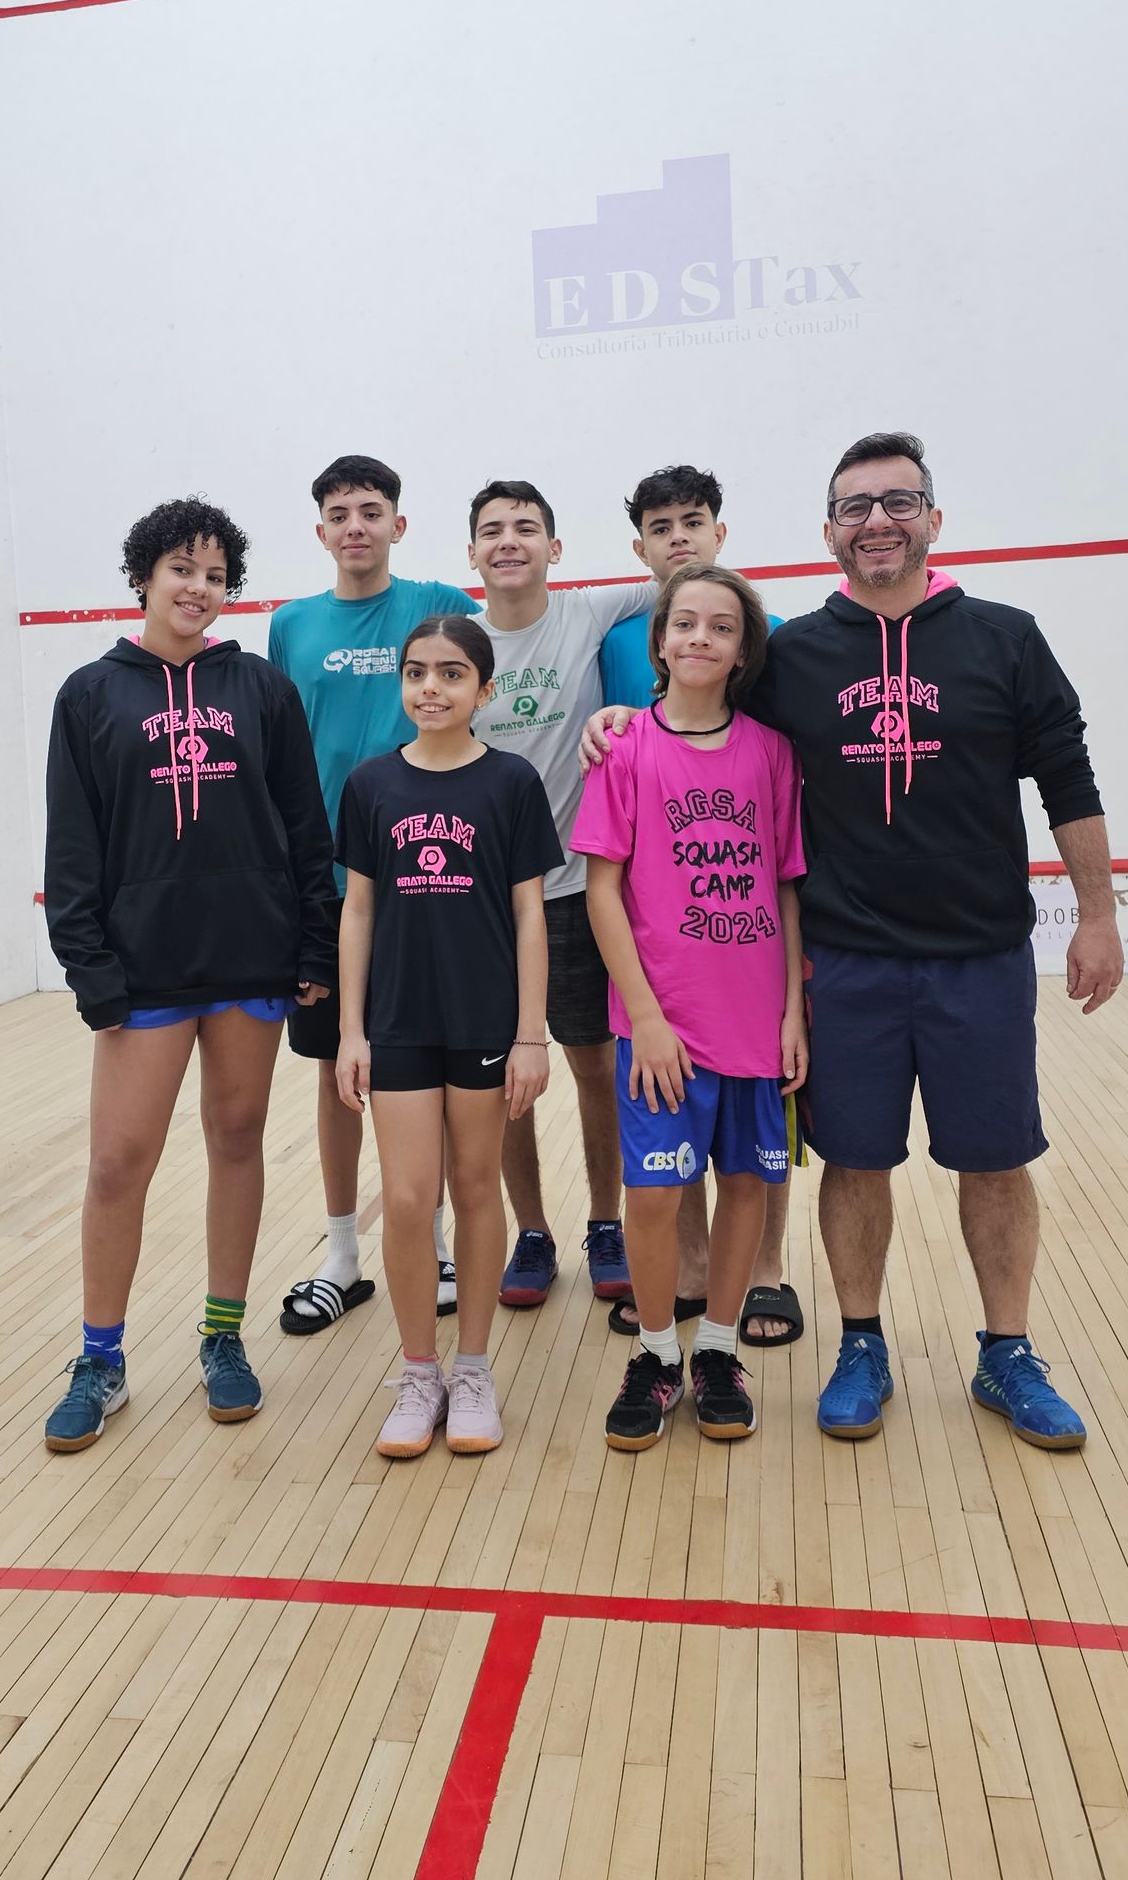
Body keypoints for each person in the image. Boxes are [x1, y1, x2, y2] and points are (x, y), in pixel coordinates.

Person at [584, 431, 1122, 1451]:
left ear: (932, 518)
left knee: (997, 1162)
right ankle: (861, 1344)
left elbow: (1068, 772)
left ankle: (1007, 1350)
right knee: (856, 1161)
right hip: (851, 962)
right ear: (830, 531)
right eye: (856, 507)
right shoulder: (795, 655)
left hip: (981, 957)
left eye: (899, 502)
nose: (878, 520)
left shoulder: (1006, 637)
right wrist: (618, 719)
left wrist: (1096, 912)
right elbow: (696, 707)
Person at [41, 496, 336, 1448]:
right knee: (118, 1160)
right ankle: (100, 1356)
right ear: (143, 576)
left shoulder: (261, 690)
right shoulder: (90, 695)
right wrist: (90, 968)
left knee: (238, 1138)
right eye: (181, 569)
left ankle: (222, 1337)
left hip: (249, 956)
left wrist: (313, 946)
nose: (198, 588)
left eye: (215, 575)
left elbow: (303, 827)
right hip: (143, 970)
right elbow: (72, 847)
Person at [575, 566, 807, 1449]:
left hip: (756, 1022)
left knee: (748, 1184)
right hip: (662, 1027)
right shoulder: (627, 748)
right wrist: (646, 1018)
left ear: (743, 649)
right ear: (660, 642)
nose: (701, 639)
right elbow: (604, 893)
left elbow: (786, 890)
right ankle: (657, 1353)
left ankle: (716, 1350)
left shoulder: (771, 753)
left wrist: (792, 1011)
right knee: (657, 1195)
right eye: (685, 625)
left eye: (721, 627)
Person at [336, 614, 559, 1456]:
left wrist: (530, 1035)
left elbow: (530, 913)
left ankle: (473, 1369)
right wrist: (352, 1030)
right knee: (403, 1197)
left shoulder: (510, 782)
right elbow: (357, 912)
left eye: (452, 674)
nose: (432, 687)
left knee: (474, 1189)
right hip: (396, 1022)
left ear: (484, 690)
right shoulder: (369, 785)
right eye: (418, 672)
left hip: (484, 1020)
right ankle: (417, 1371)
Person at [267, 456, 472, 1334]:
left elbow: (527, 614)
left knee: (430, 1062)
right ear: (321, 532)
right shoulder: (290, 625)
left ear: (398, 524)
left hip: (425, 878)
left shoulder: (437, 605)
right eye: (339, 513)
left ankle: (431, 1241)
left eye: (371, 510)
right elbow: (282, 752)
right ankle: (343, 1255)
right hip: (321, 889)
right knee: (337, 1071)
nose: (355, 525)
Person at [466, 481, 653, 1309]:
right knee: (506, 1074)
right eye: (493, 531)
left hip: (577, 891)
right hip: (484, 904)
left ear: (555, 547)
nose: (510, 542)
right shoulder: (456, 643)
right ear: (472, 552)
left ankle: (605, 1222)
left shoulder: (585, 612)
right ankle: (532, 1231)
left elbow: (681, 575)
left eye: (527, 529)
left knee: (593, 1065)